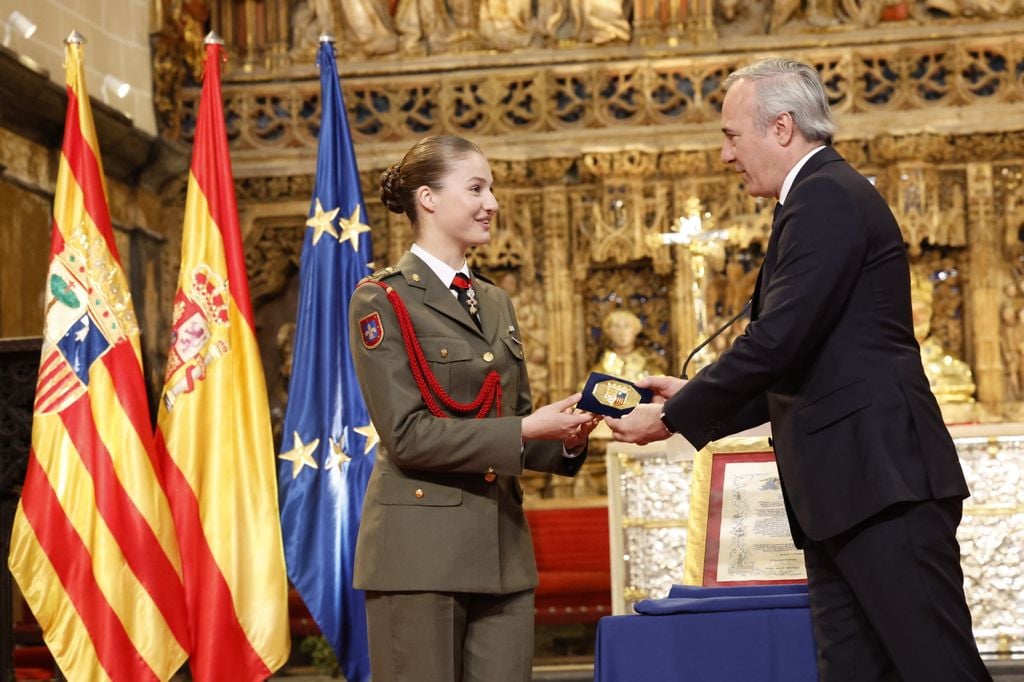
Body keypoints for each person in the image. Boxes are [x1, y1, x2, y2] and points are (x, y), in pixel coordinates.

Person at [606, 58, 990, 682]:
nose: (726, 155)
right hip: (848, 491)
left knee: (936, 667)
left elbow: (780, 341)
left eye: (732, 135)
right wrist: (697, 398)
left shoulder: (826, 198)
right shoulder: (817, 198)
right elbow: (810, 363)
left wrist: (675, 416)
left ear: (781, 127)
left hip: (880, 484)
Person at [348, 134, 599, 682]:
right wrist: (528, 426)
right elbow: (408, 436)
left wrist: (566, 438)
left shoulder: (494, 300)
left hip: (502, 550)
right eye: (476, 188)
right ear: (428, 199)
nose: (492, 203)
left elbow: (514, 420)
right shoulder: (382, 299)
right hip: (419, 557)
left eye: (492, 189)